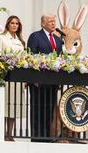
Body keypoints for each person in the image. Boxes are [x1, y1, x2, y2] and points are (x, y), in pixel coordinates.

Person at [26, 14, 63, 142]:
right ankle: (37, 137)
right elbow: (31, 58)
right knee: (37, 109)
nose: (53, 23)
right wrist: (34, 78)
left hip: (52, 83)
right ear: (43, 24)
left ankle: (47, 136)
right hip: (38, 82)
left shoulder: (58, 40)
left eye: (54, 21)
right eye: (50, 21)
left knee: (49, 110)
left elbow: (60, 60)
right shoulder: (35, 36)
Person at [0, 16, 26, 141]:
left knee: (14, 107)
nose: (14, 25)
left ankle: (9, 133)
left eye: (17, 24)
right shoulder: (1, 38)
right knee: (5, 106)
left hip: (17, 78)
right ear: (8, 24)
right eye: (12, 23)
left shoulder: (20, 41)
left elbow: (24, 60)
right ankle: (1, 132)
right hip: (6, 77)